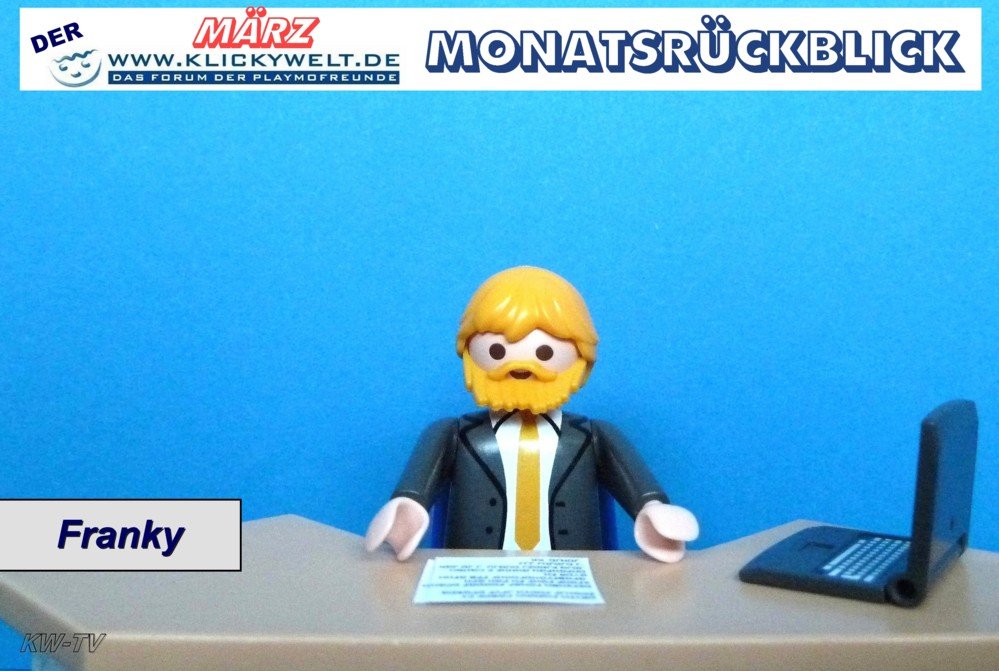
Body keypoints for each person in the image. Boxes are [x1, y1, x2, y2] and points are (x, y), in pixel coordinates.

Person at [365, 266, 698, 562]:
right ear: (469, 352)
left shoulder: (592, 436)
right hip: (475, 574)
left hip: (573, 574)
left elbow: (633, 480)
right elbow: (418, 483)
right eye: (497, 350)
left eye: (545, 352)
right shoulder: (454, 434)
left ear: (582, 356)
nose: (521, 365)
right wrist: (407, 507)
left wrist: (651, 509)